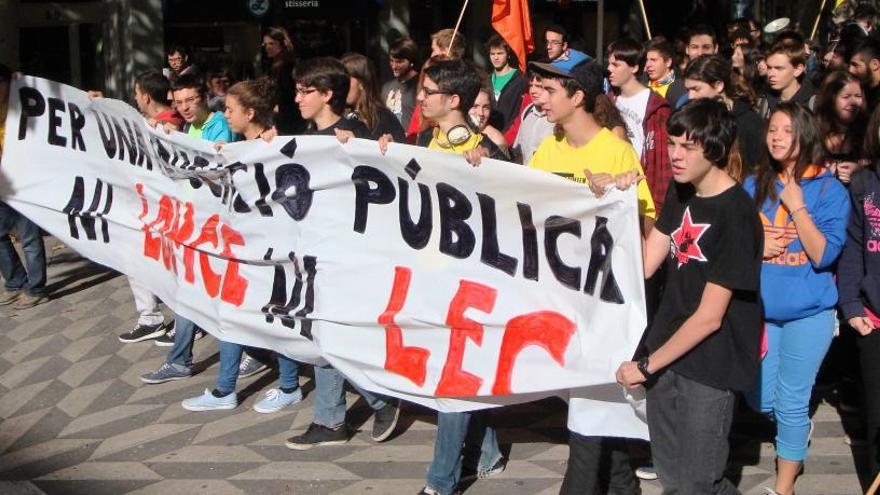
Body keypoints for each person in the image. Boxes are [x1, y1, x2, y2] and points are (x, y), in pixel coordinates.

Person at [615, 97, 764, 494]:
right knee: (673, 475)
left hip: (710, 362)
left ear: (713, 149)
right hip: (666, 349)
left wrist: (646, 367)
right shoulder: (681, 191)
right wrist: (620, 201)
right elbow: (645, 264)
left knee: (698, 482)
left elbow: (710, 317)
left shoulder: (736, 214)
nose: (675, 156)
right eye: (672, 144)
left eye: (687, 147)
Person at [525, 60, 655, 495]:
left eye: (548, 90)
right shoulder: (548, 148)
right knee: (594, 409)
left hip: (604, 304)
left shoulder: (616, 150)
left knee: (589, 409)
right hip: (561, 300)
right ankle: (623, 487)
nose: (538, 98)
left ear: (577, 96)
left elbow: (644, 233)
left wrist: (621, 192)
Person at [402, 58, 509, 495]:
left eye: (428, 91)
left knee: (453, 379)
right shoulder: (428, 141)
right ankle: (487, 452)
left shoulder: (485, 147)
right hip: (434, 278)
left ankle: (441, 481)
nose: (421, 97)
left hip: (472, 284)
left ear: (454, 101)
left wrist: (490, 165)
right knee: (457, 375)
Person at [283, 57, 400, 450]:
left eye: (305, 91)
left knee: (329, 336)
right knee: (321, 334)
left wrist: (376, 150)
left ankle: (372, 401)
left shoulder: (353, 134)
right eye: (297, 90)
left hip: (347, 255)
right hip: (313, 251)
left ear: (327, 95)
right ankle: (338, 415)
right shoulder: (303, 136)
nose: (297, 97)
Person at [743, 102, 850, 495]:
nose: (776, 137)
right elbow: (735, 243)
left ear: (804, 135)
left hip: (811, 313)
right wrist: (758, 243)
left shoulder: (829, 190)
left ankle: (783, 487)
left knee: (790, 400)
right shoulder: (753, 184)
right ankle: (796, 432)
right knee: (761, 400)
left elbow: (823, 253)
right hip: (761, 312)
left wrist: (797, 205)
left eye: (786, 130)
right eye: (772, 129)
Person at [179, 78, 303, 413]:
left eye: (231, 110)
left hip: (274, 253)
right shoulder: (235, 147)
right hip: (241, 250)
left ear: (250, 112)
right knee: (232, 314)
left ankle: (290, 385)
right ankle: (225, 389)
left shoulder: (277, 145)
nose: (225, 115)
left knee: (276, 317)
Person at [139, 75, 234, 383]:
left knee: (206, 294)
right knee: (192, 293)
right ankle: (181, 359)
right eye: (179, 103)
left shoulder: (219, 124)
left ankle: (249, 356)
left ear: (204, 97)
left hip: (217, 225)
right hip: (195, 222)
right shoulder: (188, 126)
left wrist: (175, 139)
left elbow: (212, 161)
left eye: (191, 100)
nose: (185, 108)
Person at [118, 71, 182, 343]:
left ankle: (184, 322)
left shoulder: (170, 126)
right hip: (148, 207)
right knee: (137, 259)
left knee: (174, 266)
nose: (134, 98)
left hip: (168, 209)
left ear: (145, 96)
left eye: (135, 93)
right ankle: (150, 317)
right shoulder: (149, 122)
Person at [837, 104, 880, 484]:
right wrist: (851, 305)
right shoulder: (866, 183)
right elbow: (853, 247)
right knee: (877, 420)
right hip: (873, 320)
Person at [0, 64, 49, 310]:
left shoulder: (23, 103)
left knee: (29, 236)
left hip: (24, 182)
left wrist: (23, 82)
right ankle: (14, 282)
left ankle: (36, 287)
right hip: (2, 181)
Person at [606, 37, 672, 215]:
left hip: (642, 190)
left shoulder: (656, 107)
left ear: (634, 67)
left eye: (616, 64)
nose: (609, 69)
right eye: (609, 64)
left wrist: (658, 209)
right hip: (611, 188)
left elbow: (661, 161)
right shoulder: (608, 101)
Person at [683, 55, 764, 178]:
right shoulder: (693, 120)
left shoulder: (750, 124)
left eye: (696, 89)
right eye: (688, 90)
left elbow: (759, 174)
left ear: (718, 85)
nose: (690, 96)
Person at [816, 70, 868, 185]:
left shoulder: (868, 133)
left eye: (858, 96)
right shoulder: (814, 132)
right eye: (846, 96)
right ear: (831, 99)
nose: (853, 102)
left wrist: (860, 171)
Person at [341, 53, 406, 142]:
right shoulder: (338, 115)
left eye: (346, 80)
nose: (341, 86)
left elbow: (401, 152)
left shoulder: (385, 119)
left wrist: (357, 141)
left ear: (362, 83)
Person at [758, 37, 817, 119]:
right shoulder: (763, 103)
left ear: (798, 70)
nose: (771, 74)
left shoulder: (815, 105)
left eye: (779, 68)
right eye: (769, 67)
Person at [262, 26, 304, 135]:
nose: (267, 47)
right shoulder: (274, 64)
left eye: (271, 44)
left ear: (282, 43)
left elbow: (288, 93)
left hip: (290, 117)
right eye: (265, 44)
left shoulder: (287, 65)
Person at [511, 71, 555, 164]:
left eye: (539, 86)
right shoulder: (527, 111)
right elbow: (519, 151)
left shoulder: (558, 117)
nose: (533, 91)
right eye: (531, 85)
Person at [485, 34, 525, 132]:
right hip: (489, 135)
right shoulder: (486, 80)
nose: (496, 57)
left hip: (512, 136)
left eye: (500, 53)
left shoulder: (520, 79)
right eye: (492, 54)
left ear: (508, 54)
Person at [381, 37, 419, 128]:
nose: (394, 66)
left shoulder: (421, 85)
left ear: (411, 62)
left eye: (399, 62)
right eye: (391, 61)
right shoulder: (387, 87)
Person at [644, 36, 687, 107]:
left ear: (668, 62)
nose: (648, 64)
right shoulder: (640, 83)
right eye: (647, 60)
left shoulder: (680, 90)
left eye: (653, 60)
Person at [469, 85, 508, 157]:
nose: (481, 113)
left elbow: (504, 166)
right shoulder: (454, 129)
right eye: (475, 106)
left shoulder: (497, 139)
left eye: (486, 107)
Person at [848, 38, 880, 108]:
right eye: (849, 65)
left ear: (875, 65)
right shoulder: (863, 91)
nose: (850, 70)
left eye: (855, 65)